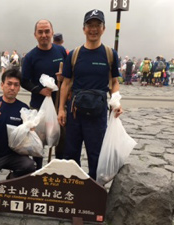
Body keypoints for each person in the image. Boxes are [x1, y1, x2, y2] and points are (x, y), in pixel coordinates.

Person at [57, 9, 123, 180]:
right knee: (71, 152)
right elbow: (65, 83)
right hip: (75, 111)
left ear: (103, 28)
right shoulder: (74, 54)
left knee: (96, 152)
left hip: (98, 112)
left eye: (97, 25)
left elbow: (114, 82)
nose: (93, 29)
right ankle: (71, 186)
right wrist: (61, 110)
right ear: (84, 29)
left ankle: (94, 188)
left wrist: (116, 102)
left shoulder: (109, 54)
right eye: (90, 25)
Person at [21, 19, 67, 169]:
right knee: (37, 145)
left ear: (52, 33)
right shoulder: (30, 57)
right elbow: (24, 81)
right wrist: (40, 90)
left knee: (61, 143)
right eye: (40, 32)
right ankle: (37, 174)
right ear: (35, 35)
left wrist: (63, 77)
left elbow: (69, 76)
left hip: (59, 106)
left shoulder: (60, 51)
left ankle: (58, 172)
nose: (44, 35)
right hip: (38, 107)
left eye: (47, 31)